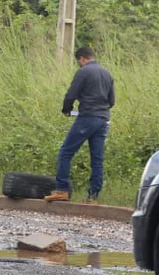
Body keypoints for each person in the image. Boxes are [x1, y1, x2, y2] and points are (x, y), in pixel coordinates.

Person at [46, 47, 115, 203]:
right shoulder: (107, 74)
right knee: (97, 158)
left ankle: (61, 190)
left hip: (87, 118)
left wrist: (67, 110)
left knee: (66, 152)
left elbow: (71, 94)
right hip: (103, 119)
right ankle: (93, 196)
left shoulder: (83, 72)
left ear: (82, 59)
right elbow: (111, 101)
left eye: (79, 61)